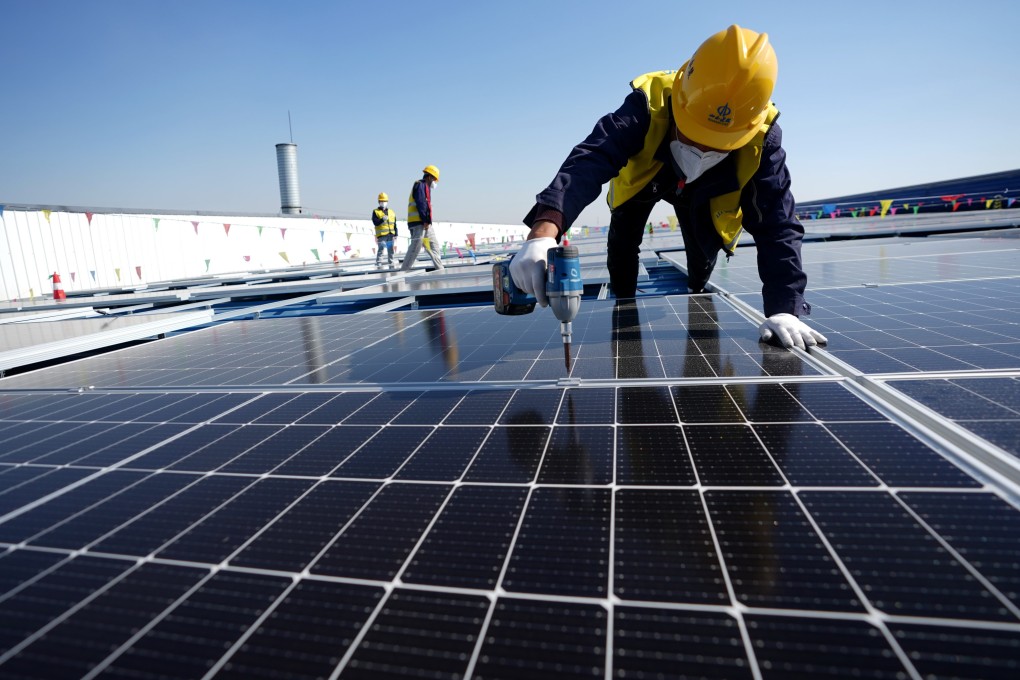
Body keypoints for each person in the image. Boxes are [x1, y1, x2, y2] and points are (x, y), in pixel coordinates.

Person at [510, 25, 827, 350]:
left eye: (719, 143)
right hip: (648, 177)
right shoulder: (648, 103)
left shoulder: (763, 136)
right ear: (680, 98)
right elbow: (590, 160)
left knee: (702, 255)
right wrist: (544, 232)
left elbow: (777, 225)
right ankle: (623, 304)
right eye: (694, 134)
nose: (703, 150)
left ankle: (697, 291)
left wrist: (785, 308)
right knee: (622, 245)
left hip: (708, 190)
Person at [400, 165, 445, 271]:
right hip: (418, 223)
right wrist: (425, 220)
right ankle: (403, 272)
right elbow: (421, 203)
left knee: (434, 246)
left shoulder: (426, 188)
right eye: (434, 179)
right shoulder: (420, 185)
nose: (435, 182)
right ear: (429, 177)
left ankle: (440, 270)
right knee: (415, 249)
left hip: (426, 224)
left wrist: (427, 221)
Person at [372, 192, 398, 268]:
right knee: (381, 249)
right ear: (379, 202)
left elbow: (394, 224)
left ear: (387, 201)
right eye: (381, 201)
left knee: (390, 249)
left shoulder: (391, 212)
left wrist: (396, 233)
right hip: (382, 236)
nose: (383, 202)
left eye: (385, 201)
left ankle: (391, 262)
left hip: (390, 235)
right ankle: (379, 263)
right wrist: (382, 220)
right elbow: (375, 222)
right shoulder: (376, 212)